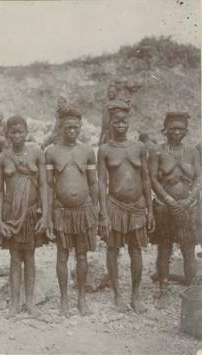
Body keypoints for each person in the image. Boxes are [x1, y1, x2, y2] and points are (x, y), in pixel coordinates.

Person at [98, 101, 155, 314]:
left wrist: (150, 210)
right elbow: (101, 183)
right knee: (112, 249)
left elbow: (147, 180)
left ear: (129, 122)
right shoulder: (104, 150)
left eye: (124, 121)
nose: (121, 125)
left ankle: (136, 295)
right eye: (116, 121)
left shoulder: (139, 147)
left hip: (138, 206)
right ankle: (117, 295)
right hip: (114, 206)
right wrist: (103, 214)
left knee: (136, 250)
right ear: (110, 123)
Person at [46, 108, 99, 317]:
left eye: (76, 127)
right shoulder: (51, 152)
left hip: (84, 210)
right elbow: (49, 186)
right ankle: (64, 300)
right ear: (60, 127)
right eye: (68, 127)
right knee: (62, 256)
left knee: (82, 256)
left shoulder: (87, 151)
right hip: (62, 211)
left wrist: (96, 209)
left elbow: (94, 183)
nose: (72, 131)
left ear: (80, 128)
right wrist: (49, 216)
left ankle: (81, 299)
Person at [0, 115, 49, 317]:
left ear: (27, 132)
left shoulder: (37, 153)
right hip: (12, 214)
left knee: (31, 257)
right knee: (15, 258)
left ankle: (30, 302)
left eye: (21, 132)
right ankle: (14, 303)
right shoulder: (2, 158)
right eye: (13, 132)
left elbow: (44, 185)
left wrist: (46, 215)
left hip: (32, 212)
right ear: (7, 133)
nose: (17, 136)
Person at [149, 112, 201, 308]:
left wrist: (188, 200)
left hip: (188, 207)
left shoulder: (192, 152)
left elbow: (199, 178)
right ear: (166, 130)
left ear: (186, 131)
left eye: (180, 128)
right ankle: (163, 289)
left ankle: (192, 289)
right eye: (173, 128)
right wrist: (169, 199)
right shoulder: (157, 151)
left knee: (188, 249)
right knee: (164, 248)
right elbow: (153, 179)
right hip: (164, 208)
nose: (176, 132)